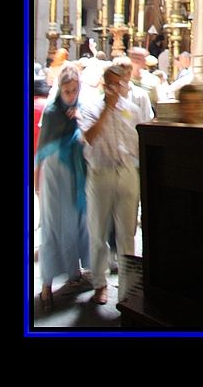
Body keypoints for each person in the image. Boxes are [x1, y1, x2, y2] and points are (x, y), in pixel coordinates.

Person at [79, 63, 143, 304]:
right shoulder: (90, 108)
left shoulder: (133, 110)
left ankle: (128, 286)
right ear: (104, 85)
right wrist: (107, 108)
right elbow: (90, 136)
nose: (116, 89)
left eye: (119, 83)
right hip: (101, 174)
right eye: (111, 84)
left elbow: (138, 142)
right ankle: (99, 283)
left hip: (126, 172)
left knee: (127, 232)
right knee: (98, 232)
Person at [35, 64, 91, 312]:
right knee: (52, 226)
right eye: (67, 91)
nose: (71, 95)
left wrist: (80, 118)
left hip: (75, 174)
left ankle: (73, 272)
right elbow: (43, 148)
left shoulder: (81, 108)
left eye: (74, 90)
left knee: (74, 222)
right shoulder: (52, 111)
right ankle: (46, 285)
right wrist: (36, 182)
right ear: (60, 89)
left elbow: (89, 137)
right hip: (55, 174)